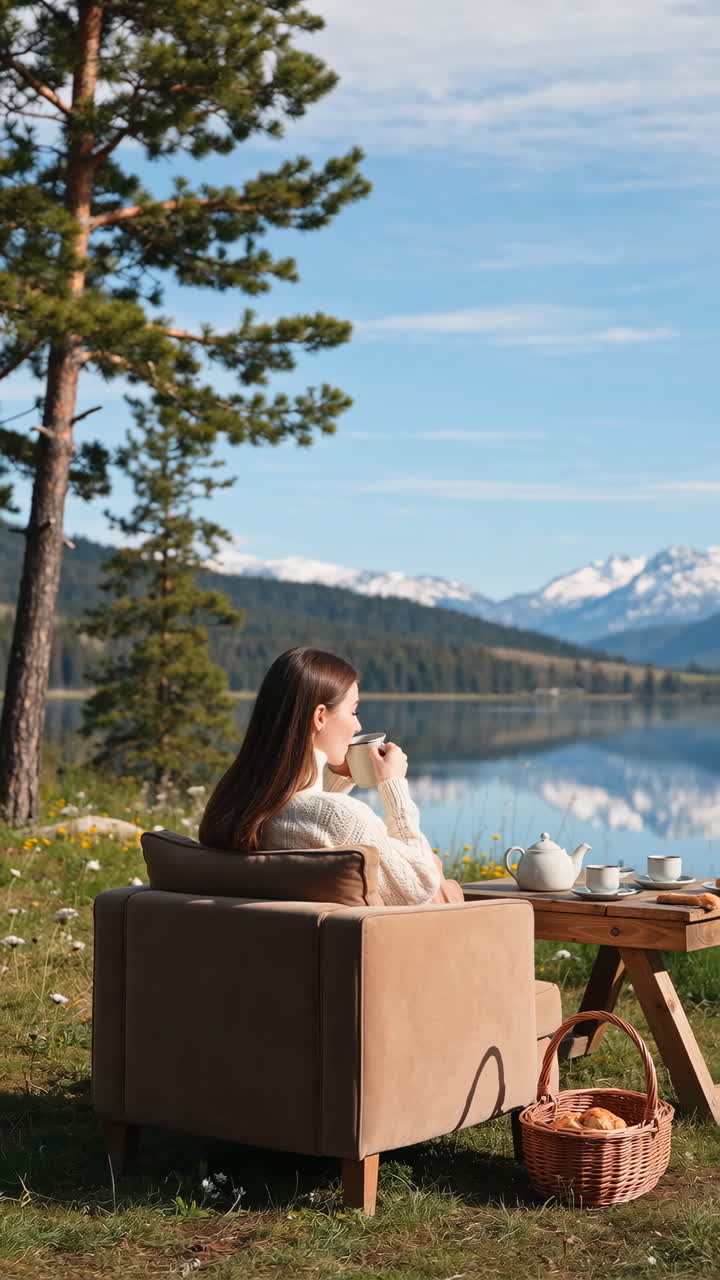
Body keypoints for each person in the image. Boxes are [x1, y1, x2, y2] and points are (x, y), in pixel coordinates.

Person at [199, 645, 463, 906]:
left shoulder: (233, 806)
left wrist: (337, 779)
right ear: (320, 717)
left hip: (270, 942)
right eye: (354, 711)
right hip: (417, 940)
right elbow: (419, 887)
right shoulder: (342, 817)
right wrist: (394, 787)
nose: (358, 725)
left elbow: (306, 824)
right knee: (436, 871)